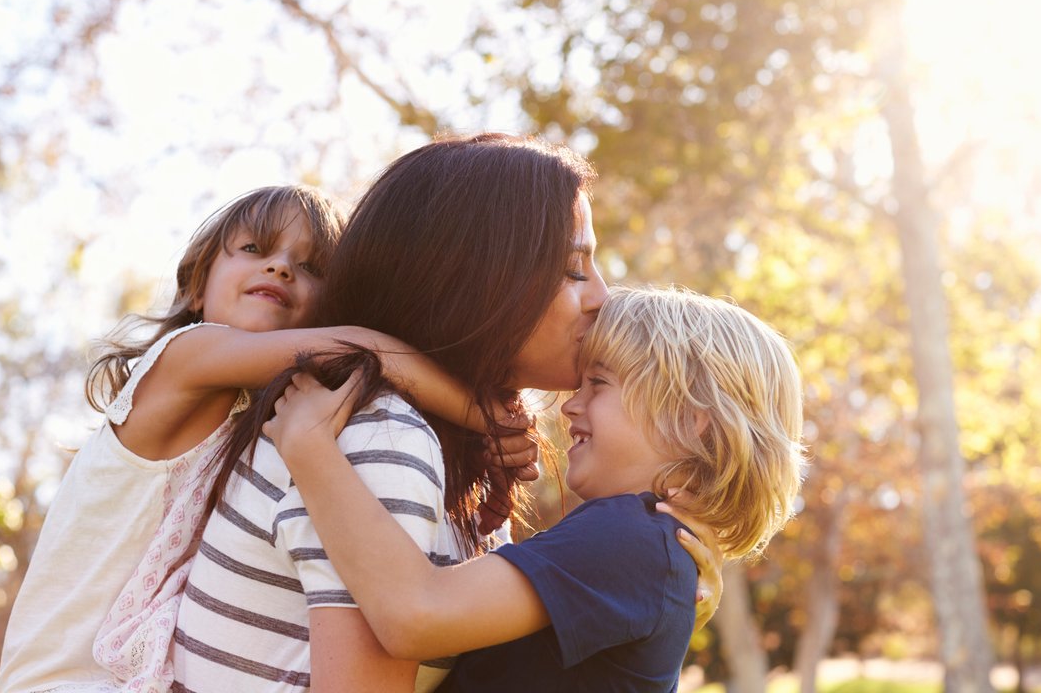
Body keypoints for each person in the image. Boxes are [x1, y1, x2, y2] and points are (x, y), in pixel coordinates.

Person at [169, 135, 722, 692]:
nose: (603, 295)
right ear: (476, 278)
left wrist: (653, 594)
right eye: (573, 267)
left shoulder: (439, 447)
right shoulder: (380, 438)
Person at [0, 185, 516, 693]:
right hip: (66, 680)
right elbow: (363, 349)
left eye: (311, 267)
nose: (281, 267)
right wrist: (490, 417)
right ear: (197, 287)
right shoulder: (184, 357)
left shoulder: (262, 418)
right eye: (254, 249)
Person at [266, 285, 807, 692]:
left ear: (691, 421)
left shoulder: (629, 537)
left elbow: (415, 616)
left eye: (599, 384)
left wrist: (310, 446)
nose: (570, 404)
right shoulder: (649, 547)